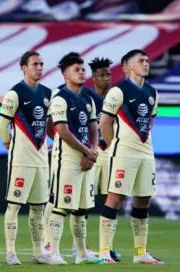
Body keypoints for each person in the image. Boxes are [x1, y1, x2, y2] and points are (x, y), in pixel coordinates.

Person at [98, 49, 163, 264]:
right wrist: (115, 145)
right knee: (115, 197)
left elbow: (149, 123)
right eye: (141, 61)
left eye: (147, 60)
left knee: (143, 200)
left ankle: (140, 252)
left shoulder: (153, 92)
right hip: (124, 153)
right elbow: (104, 123)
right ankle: (104, 251)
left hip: (145, 152)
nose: (146, 63)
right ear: (127, 68)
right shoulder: (118, 91)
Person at [47, 52, 104, 265]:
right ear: (65, 75)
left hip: (85, 160)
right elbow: (62, 130)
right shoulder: (60, 98)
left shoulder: (88, 98)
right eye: (76, 70)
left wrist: (93, 151)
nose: (81, 73)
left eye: (82, 70)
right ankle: (53, 253)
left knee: (81, 209)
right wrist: (87, 152)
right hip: (68, 160)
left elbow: (93, 128)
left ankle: (81, 254)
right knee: (61, 206)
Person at [0, 51, 53, 265]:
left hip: (41, 161)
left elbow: (47, 126)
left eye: (41, 64)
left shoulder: (48, 93)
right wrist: (8, 143)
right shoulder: (14, 94)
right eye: (35, 64)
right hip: (20, 160)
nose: (39, 67)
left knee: (38, 208)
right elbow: (1, 126)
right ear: (24, 67)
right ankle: (11, 252)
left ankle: (38, 252)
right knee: (14, 206)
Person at [84, 57, 121, 262]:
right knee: (85, 200)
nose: (106, 78)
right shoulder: (86, 97)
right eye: (102, 75)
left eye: (108, 74)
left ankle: (107, 246)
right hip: (91, 151)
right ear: (94, 77)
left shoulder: (116, 96)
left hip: (110, 151)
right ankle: (80, 246)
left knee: (112, 198)